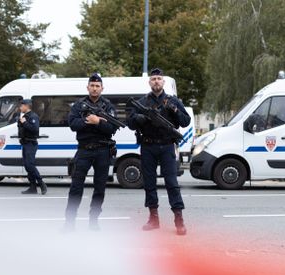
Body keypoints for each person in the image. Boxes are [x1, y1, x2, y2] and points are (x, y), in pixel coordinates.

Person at [127, 68, 191, 235]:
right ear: (150, 82)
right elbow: (130, 122)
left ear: (163, 82)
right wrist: (137, 119)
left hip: (167, 146)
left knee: (172, 183)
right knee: (149, 183)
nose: (156, 81)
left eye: (159, 79)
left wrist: (174, 110)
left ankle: (179, 219)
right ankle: (153, 218)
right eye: (153, 78)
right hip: (148, 146)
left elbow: (185, 122)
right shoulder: (143, 102)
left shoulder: (173, 101)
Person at [63, 73, 119, 232]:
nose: (94, 88)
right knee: (75, 187)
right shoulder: (78, 105)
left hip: (103, 151)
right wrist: (89, 121)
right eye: (92, 85)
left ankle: (93, 222)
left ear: (102, 88)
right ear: (88, 87)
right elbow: (72, 124)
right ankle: (69, 223)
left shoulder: (108, 106)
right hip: (84, 150)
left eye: (97, 86)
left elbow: (112, 129)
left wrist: (98, 122)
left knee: (100, 188)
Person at [18, 99, 47, 195]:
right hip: (25, 143)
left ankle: (41, 183)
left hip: (31, 143)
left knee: (30, 164)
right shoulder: (24, 116)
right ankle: (32, 187)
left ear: (27, 106)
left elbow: (35, 129)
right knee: (27, 166)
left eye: (22, 105)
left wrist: (24, 123)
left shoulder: (33, 116)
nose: (20, 107)